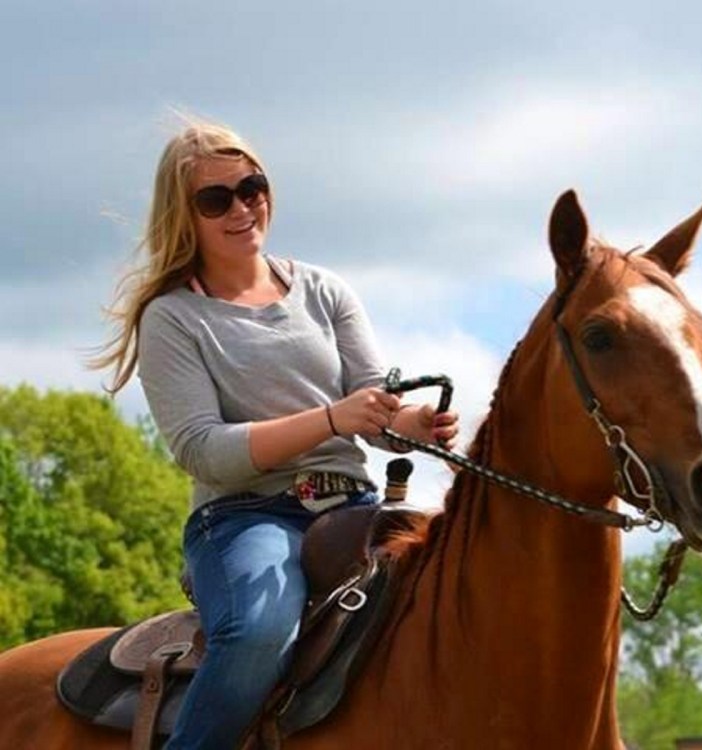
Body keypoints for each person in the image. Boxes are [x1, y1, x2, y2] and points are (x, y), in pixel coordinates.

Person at [94, 115, 459, 750]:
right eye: (216, 199)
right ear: (185, 217)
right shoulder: (172, 319)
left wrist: (411, 424)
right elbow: (205, 452)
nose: (242, 208)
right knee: (260, 631)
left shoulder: (325, 291)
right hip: (243, 517)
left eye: (251, 187)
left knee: (466, 589)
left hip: (355, 507)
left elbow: (375, 407)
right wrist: (330, 419)